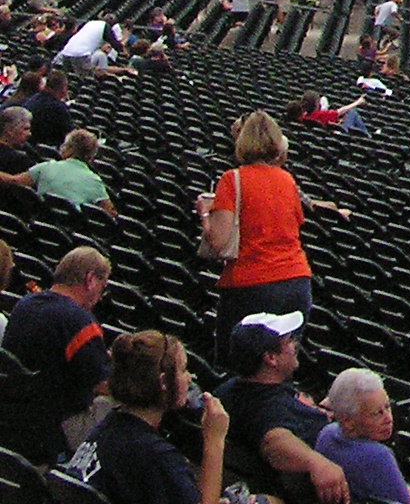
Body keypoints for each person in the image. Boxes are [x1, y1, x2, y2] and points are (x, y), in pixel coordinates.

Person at [59, 330, 231, 504]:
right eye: (183, 370)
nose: (189, 378)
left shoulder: (110, 426)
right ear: (163, 382)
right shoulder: (155, 455)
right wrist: (214, 440)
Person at [200, 110, 316, 365]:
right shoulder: (287, 180)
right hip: (296, 282)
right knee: (280, 366)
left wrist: (204, 215)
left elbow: (218, 242)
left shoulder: (232, 179)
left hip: (251, 285)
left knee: (238, 366)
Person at [215, 312, 349, 504]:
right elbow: (273, 440)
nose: (295, 344)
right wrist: (317, 463)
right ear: (271, 358)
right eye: (288, 340)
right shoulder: (265, 407)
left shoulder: (229, 389)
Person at [0, 246, 113, 460]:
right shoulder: (79, 322)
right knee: (134, 403)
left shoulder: (24, 306)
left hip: (17, 419)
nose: (100, 297)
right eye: (102, 287)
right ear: (90, 280)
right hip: (56, 428)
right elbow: (105, 384)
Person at [316, 369, 408, 504]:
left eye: (387, 407)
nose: (388, 418)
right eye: (377, 413)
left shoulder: (326, 434)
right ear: (348, 421)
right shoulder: (379, 456)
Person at [2, 126, 117, 217]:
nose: (61, 148)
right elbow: (109, 214)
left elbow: (14, 181)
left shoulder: (45, 167)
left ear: (70, 150)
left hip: (44, 221)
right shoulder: (95, 181)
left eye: (64, 145)